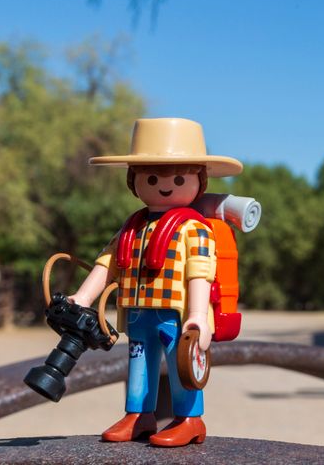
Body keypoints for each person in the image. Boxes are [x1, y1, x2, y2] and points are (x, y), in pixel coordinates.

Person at [68, 117, 243, 447]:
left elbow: (200, 272)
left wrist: (197, 315)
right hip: (138, 312)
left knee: (183, 367)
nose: (164, 185)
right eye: (151, 177)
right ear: (134, 181)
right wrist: (83, 296)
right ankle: (138, 414)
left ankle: (190, 418)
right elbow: (108, 263)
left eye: (178, 178)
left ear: (199, 181)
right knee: (138, 362)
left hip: (176, 315)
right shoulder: (132, 227)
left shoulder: (194, 229)